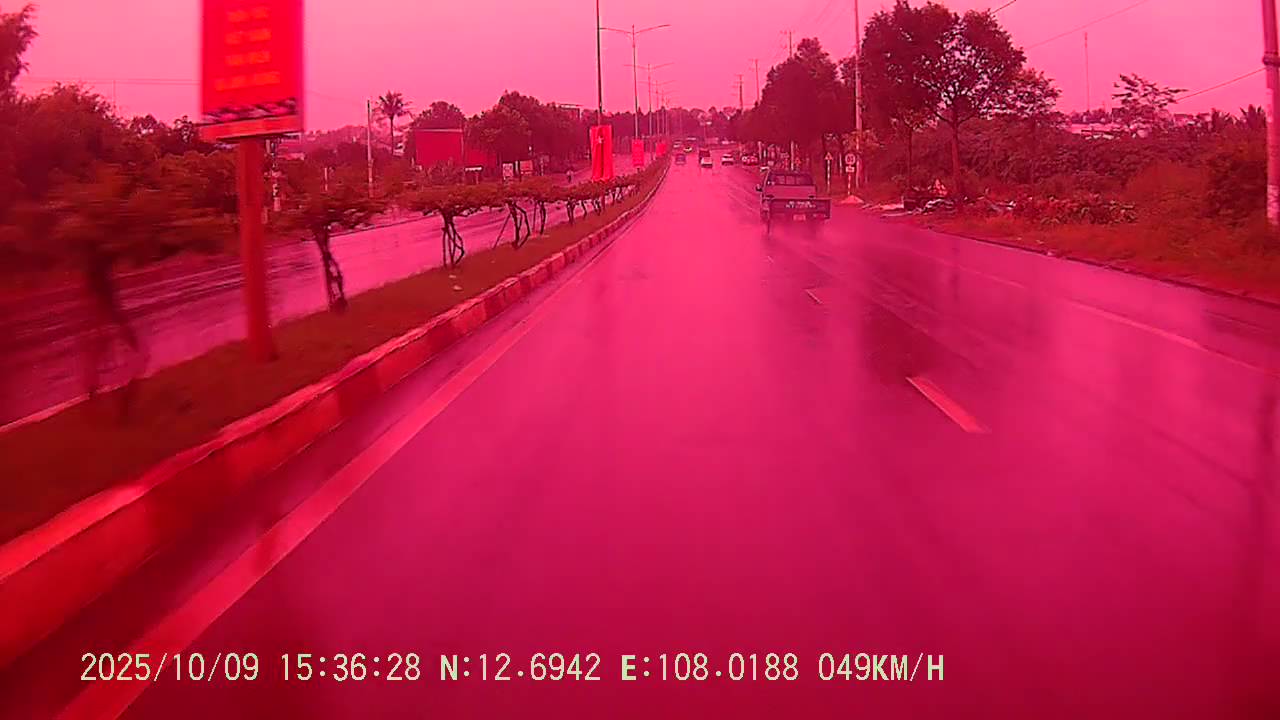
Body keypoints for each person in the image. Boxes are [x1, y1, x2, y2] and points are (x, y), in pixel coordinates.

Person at [81, 240, 148, 410]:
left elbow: (98, 296)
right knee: (115, 343)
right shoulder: (101, 274)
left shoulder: (95, 274)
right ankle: (105, 389)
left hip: (104, 310)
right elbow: (109, 301)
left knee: (102, 346)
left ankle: (95, 387)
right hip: (107, 309)